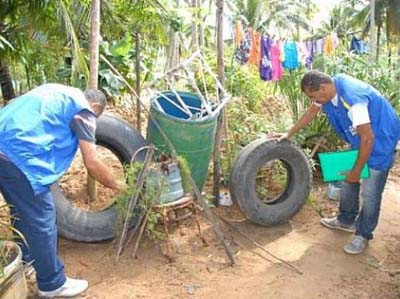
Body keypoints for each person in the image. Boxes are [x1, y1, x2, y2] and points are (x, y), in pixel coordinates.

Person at [0, 83, 122, 297]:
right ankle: (52, 283)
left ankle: (26, 262)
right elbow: (92, 163)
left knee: (20, 210)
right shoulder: (84, 111)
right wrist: (119, 186)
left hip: (4, 143)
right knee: (43, 218)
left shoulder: (58, 91)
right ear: (95, 106)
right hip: (19, 153)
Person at [276, 70, 400, 255]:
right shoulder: (330, 88)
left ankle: (363, 235)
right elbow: (312, 111)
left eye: (313, 95)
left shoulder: (352, 98)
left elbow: (368, 138)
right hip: (360, 140)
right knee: (345, 177)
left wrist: (357, 171)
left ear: (324, 88)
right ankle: (346, 220)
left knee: (371, 193)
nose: (313, 100)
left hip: (381, 141)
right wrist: (289, 133)